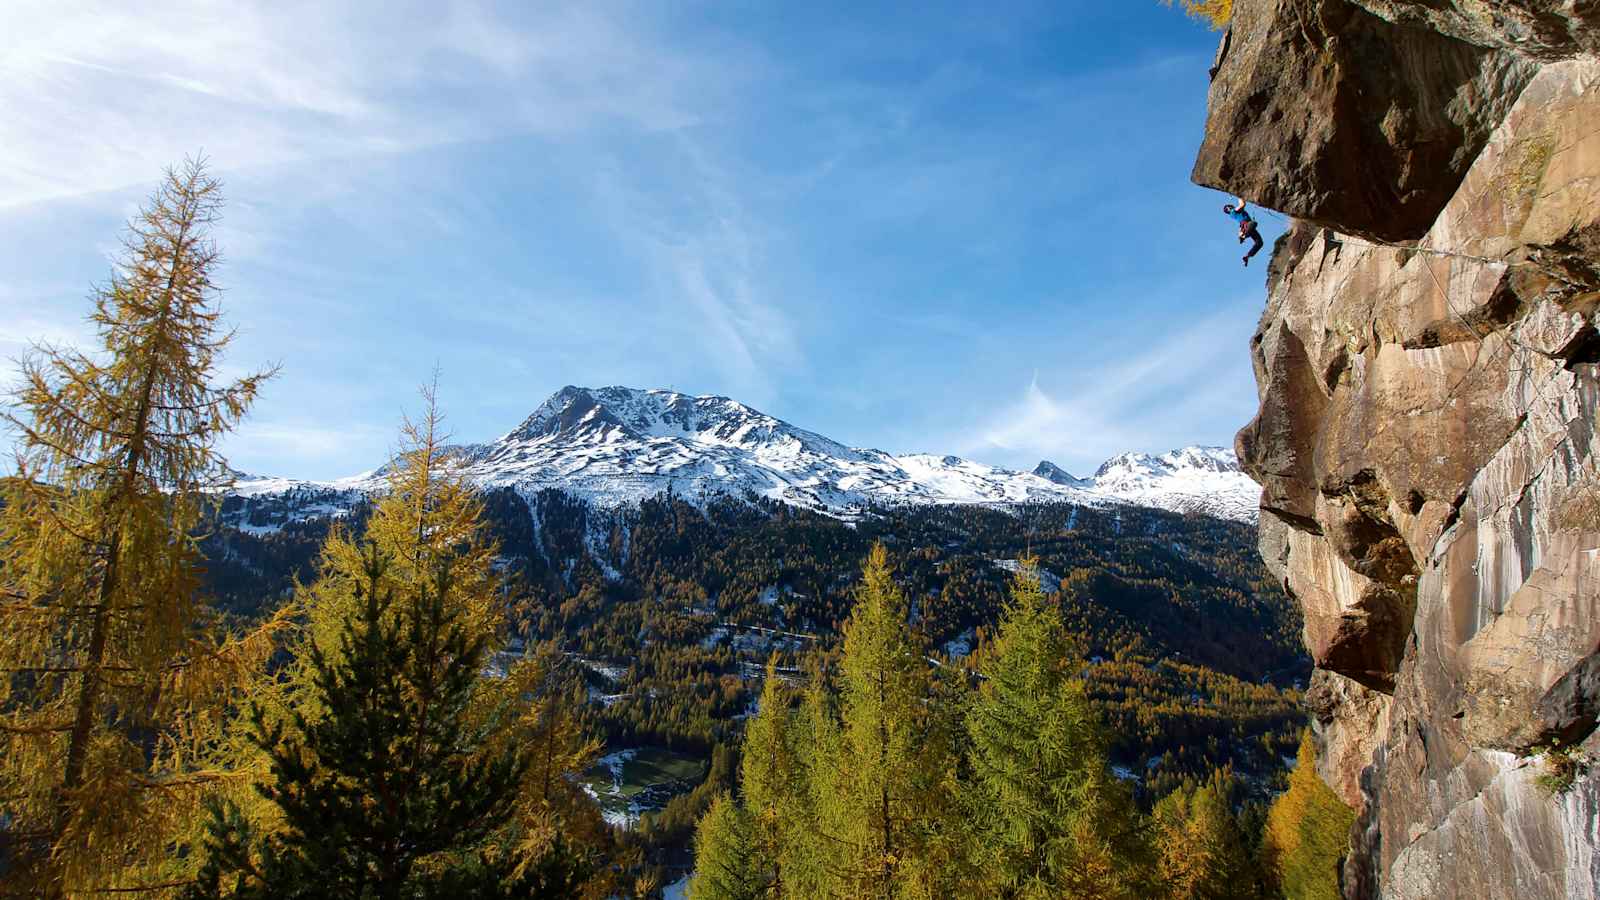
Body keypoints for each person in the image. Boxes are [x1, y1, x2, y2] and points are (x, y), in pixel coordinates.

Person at [1224, 198, 1264, 266]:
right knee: (1253, 223)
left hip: (1247, 228)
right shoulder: (1233, 211)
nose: (1232, 206)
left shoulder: (1235, 214)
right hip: (1248, 225)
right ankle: (1244, 235)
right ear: (1229, 209)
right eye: (1230, 206)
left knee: (1259, 242)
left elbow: (1240, 226)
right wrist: (1239, 196)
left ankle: (1247, 256)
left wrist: (1240, 234)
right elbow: (1242, 204)